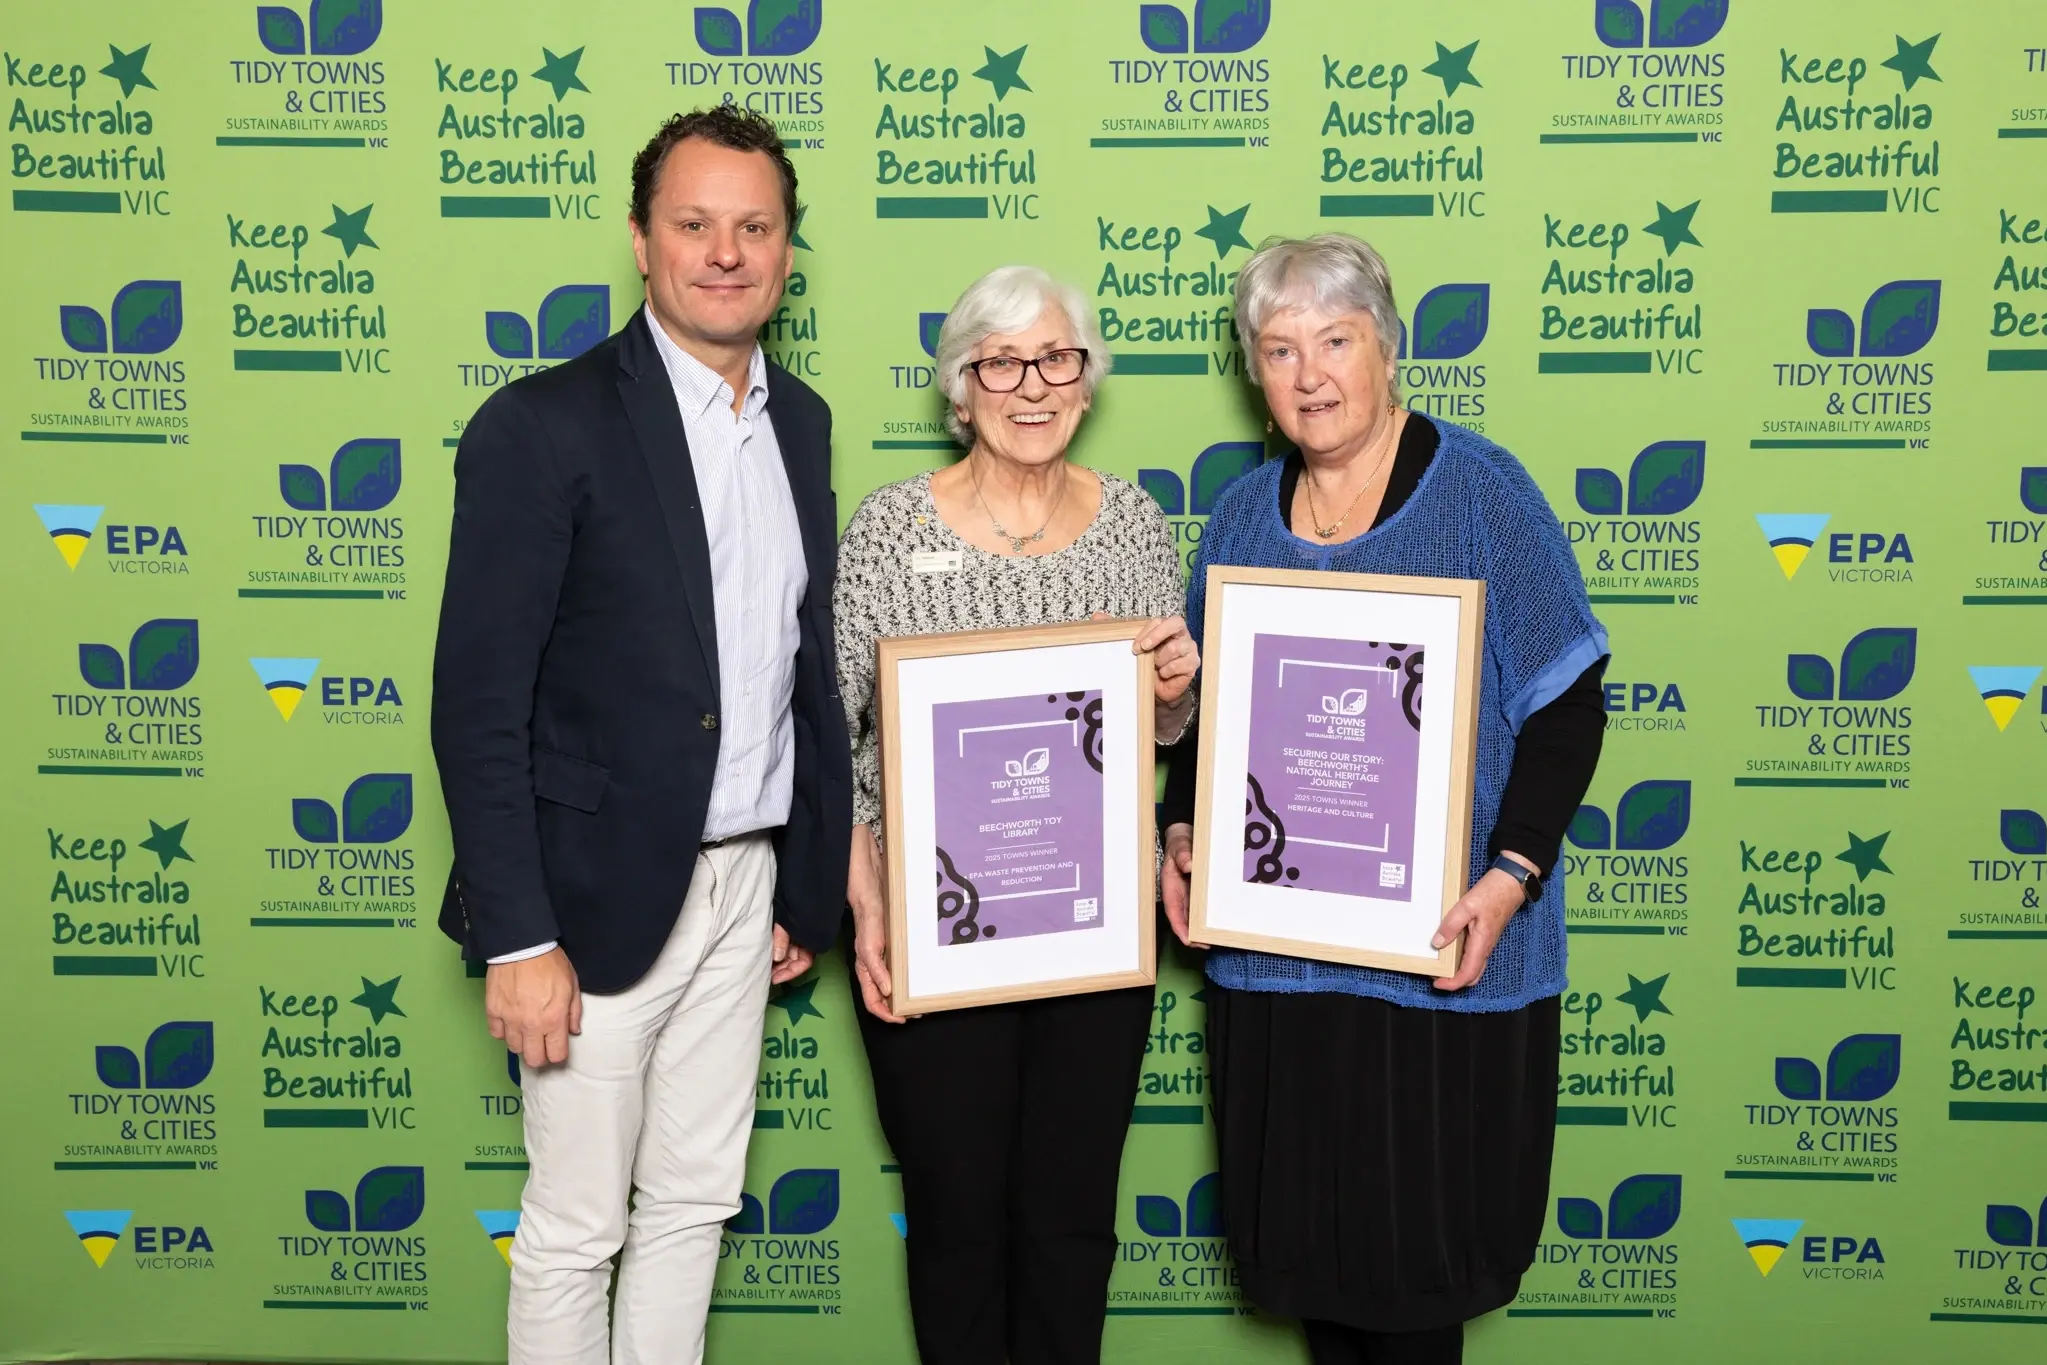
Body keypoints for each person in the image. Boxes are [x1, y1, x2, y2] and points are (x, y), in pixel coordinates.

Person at [429, 106, 849, 1365]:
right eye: (694, 224)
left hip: (745, 884)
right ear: (640, 240)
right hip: (586, 900)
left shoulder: (802, 421)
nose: (726, 252)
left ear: (785, 250)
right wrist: (517, 933)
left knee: (693, 1206)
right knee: (571, 1228)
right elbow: (477, 703)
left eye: (754, 227)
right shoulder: (543, 424)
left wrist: (802, 882)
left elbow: (798, 672)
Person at [1159, 234, 1609, 1365]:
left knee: (1414, 1299)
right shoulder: (1240, 519)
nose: (1309, 374)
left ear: (1386, 348)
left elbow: (1568, 706)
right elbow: (1208, 721)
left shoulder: (1482, 494)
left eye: (1334, 341)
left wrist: (1509, 878)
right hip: (1282, 982)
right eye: (1278, 349)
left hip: (1439, 972)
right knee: (1319, 1284)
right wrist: (1179, 827)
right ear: (1253, 373)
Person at [835, 265, 1200, 1364]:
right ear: (961, 387)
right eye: (1000, 362)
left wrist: (1178, 690)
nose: (1030, 386)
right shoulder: (890, 530)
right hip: (936, 936)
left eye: (1056, 359)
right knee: (953, 1222)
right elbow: (834, 742)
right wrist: (866, 902)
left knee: (1070, 1220)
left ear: (1086, 380)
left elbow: (1159, 740)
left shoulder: (1135, 524)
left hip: (1094, 933)